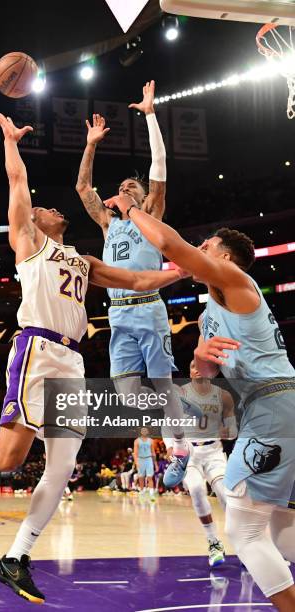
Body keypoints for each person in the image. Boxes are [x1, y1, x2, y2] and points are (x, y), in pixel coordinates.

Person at [0, 113, 188, 605]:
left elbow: (140, 281)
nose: (50, 207)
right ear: (34, 222)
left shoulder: (83, 259)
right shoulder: (30, 243)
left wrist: (188, 270)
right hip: (36, 351)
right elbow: (18, 180)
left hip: (73, 362)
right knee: (10, 458)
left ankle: (15, 557)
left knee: (61, 469)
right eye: (42, 207)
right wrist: (10, 142)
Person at [104, 191, 295, 612]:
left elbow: (170, 246)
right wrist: (198, 359)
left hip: (272, 405)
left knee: (244, 531)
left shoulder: (235, 281)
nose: (200, 248)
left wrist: (131, 208)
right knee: (280, 522)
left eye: (207, 245)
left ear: (224, 257)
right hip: (270, 406)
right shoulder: (212, 307)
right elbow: (204, 374)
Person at [76, 81, 192, 484]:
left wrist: (150, 116)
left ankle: (179, 449)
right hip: (118, 316)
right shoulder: (110, 224)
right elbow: (83, 189)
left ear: (143, 197)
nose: (125, 187)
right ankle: (175, 410)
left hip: (149, 307)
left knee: (162, 383)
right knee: (126, 395)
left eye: (133, 187)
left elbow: (159, 167)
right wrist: (91, 144)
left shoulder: (151, 214)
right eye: (122, 186)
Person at [165, 360, 237, 567]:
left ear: (211, 371)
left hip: (214, 451)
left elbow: (231, 429)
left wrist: (229, 432)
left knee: (226, 495)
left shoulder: (223, 395)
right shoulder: (180, 394)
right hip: (190, 452)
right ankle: (213, 542)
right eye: (192, 366)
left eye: (200, 366)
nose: (196, 369)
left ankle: (242, 543)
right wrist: (171, 448)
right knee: (196, 488)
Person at [134, 427, 157, 500]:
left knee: (150, 477)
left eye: (145, 430)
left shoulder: (151, 441)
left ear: (147, 432)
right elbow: (135, 453)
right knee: (141, 477)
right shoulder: (137, 441)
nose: (144, 431)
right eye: (143, 430)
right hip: (140, 459)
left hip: (149, 459)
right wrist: (136, 462)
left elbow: (153, 452)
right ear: (141, 432)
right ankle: (142, 492)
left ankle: (151, 494)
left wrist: (155, 464)